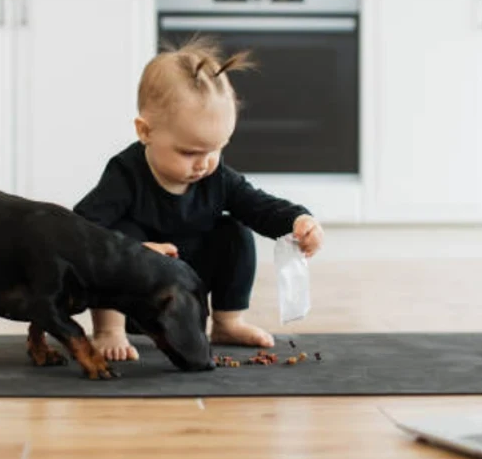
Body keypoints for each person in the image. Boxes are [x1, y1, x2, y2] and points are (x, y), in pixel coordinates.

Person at [73, 36, 324, 362]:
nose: (204, 162)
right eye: (190, 152)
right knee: (116, 234)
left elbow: (257, 205)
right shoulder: (125, 174)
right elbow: (80, 229)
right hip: (138, 294)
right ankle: (109, 330)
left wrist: (298, 221)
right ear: (145, 132)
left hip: (190, 288)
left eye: (217, 148)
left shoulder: (215, 176)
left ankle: (227, 322)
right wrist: (131, 252)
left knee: (233, 231)